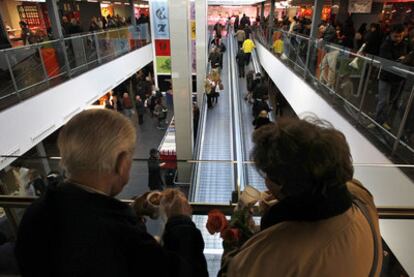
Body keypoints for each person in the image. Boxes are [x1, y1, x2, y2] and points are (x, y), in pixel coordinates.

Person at [15, 109, 208, 277]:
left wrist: (131, 211)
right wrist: (180, 222)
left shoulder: (35, 214)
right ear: (121, 163)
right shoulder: (125, 241)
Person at [227, 117, 383, 276]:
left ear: (282, 183)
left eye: (268, 175)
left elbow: (232, 271)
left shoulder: (275, 255)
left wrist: (233, 236)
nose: (266, 181)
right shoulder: (361, 197)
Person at [371, 24, 408, 130]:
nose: (399, 38)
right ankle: (377, 121)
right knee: (383, 100)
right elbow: (387, 62)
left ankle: (383, 121)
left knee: (391, 101)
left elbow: (405, 58)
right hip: (386, 77)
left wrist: (400, 60)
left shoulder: (404, 44)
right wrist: (399, 61)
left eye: (400, 36)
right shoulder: (385, 45)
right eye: (396, 36)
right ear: (391, 34)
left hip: (398, 77)